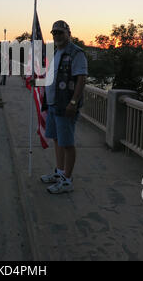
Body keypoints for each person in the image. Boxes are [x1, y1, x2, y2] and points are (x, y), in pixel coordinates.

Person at [41, 20, 88, 194]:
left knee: (67, 143)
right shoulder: (57, 52)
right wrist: (37, 82)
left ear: (69, 33)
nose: (57, 36)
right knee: (57, 139)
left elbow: (81, 79)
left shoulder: (76, 53)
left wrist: (73, 102)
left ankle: (67, 180)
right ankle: (59, 173)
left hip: (65, 105)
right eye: (54, 33)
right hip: (53, 104)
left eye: (60, 32)